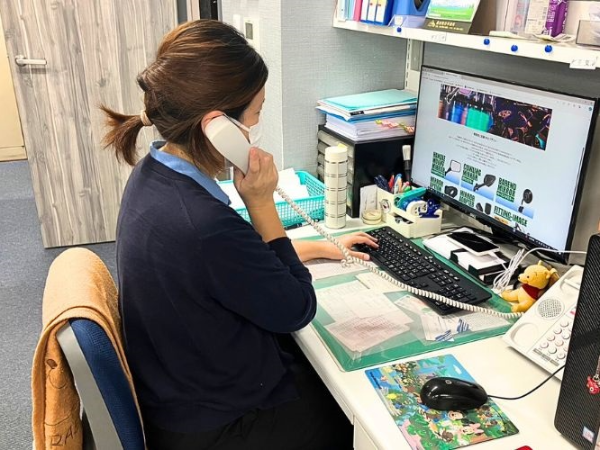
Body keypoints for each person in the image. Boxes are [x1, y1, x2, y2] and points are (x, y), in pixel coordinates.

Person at [101, 19, 378, 450]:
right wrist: (261, 203)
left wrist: (311, 247)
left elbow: (221, 267)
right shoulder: (203, 225)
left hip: (181, 394)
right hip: (222, 426)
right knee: (365, 417)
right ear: (218, 127)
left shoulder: (154, 175)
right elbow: (296, 309)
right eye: (256, 112)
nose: (256, 124)